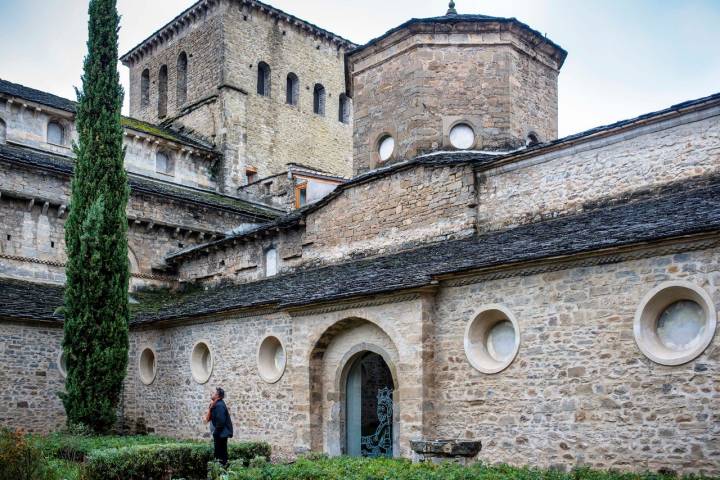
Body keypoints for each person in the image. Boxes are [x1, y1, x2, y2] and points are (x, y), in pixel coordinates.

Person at [203, 387, 233, 465]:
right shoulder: (216, 404)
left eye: (213, 393)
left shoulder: (219, 405)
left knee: (220, 456)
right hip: (220, 434)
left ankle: (222, 474)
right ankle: (221, 473)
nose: (211, 394)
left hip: (220, 435)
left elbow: (221, 422)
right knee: (220, 455)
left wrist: (215, 433)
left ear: (217, 395)